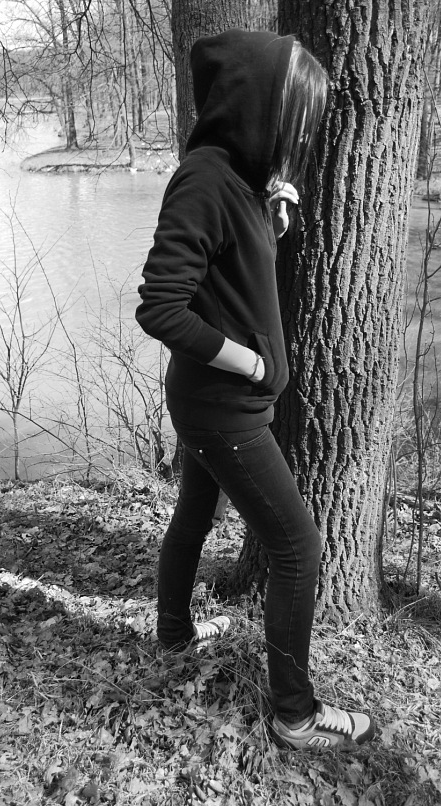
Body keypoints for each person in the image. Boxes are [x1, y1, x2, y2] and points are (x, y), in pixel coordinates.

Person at [135, 29, 375, 750]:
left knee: (194, 515)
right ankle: (295, 715)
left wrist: (273, 220)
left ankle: (174, 634)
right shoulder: (205, 179)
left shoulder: (240, 181)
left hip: (214, 404)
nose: (298, 136)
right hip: (223, 408)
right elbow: (160, 306)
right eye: (294, 119)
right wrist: (248, 363)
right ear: (259, 107)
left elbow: (231, 273)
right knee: (299, 546)